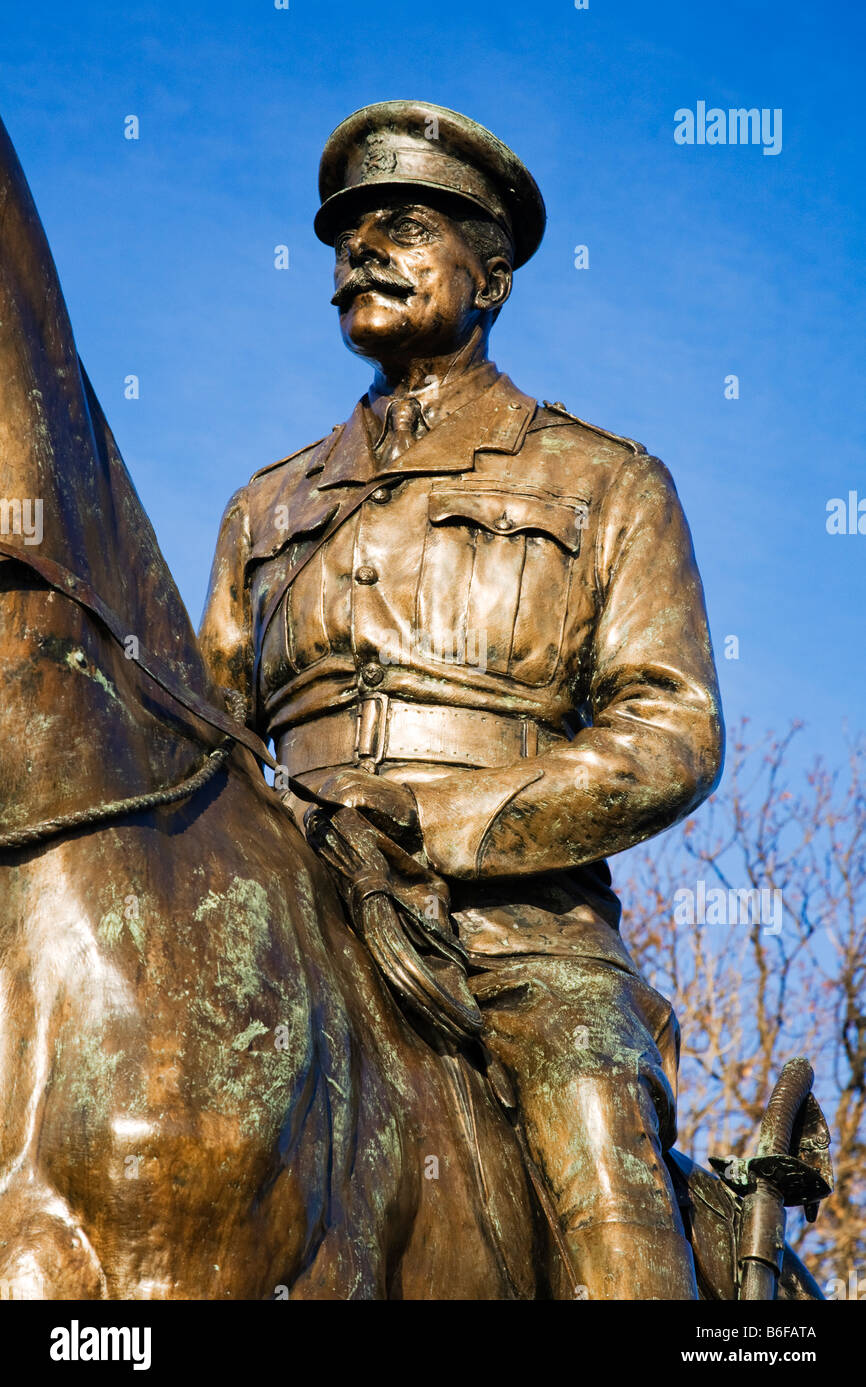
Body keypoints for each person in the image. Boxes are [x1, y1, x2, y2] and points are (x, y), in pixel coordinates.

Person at [199, 100, 724, 1299]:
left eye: (400, 226)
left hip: (517, 943)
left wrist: (434, 823)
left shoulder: (602, 480)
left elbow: (672, 730)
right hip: (292, 910)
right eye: (345, 235)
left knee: (607, 1182)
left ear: (488, 278)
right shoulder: (262, 508)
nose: (360, 251)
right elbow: (209, 730)